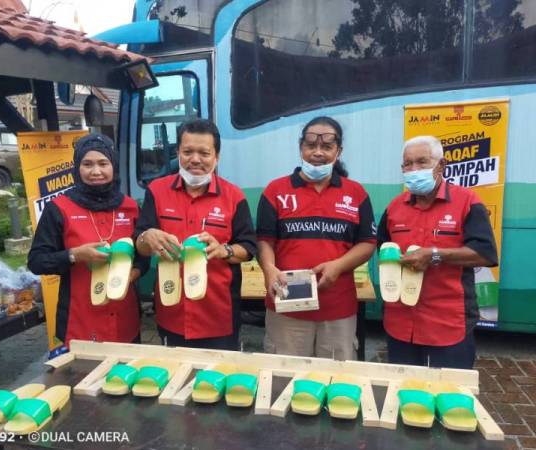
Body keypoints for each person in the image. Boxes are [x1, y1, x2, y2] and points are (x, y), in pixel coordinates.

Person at [256, 116, 377, 360]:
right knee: (286, 380)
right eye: (311, 146)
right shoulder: (275, 191)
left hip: (338, 310)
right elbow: (264, 241)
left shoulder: (356, 193)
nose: (318, 153)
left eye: (327, 147)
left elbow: (367, 243)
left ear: (338, 151)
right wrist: (269, 269)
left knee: (336, 385)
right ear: (301, 148)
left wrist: (338, 266)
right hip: (287, 306)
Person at [377, 135, 498, 369]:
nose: (414, 170)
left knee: (448, 397)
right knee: (407, 395)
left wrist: (435, 255)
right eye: (408, 164)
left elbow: (486, 254)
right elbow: (381, 248)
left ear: (441, 165)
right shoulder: (394, 208)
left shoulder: (467, 202)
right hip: (400, 322)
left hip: (447, 324)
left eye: (422, 162)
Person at [135, 119, 257, 350]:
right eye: (187, 151)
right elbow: (140, 244)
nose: (195, 160)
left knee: (216, 382)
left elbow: (249, 248)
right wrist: (147, 236)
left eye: (204, 153)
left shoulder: (234, 196)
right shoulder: (156, 191)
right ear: (178, 153)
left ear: (216, 157)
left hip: (218, 316)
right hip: (172, 312)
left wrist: (224, 250)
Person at [28, 133, 144, 348]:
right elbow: (36, 261)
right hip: (79, 323)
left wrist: (133, 274)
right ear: (77, 168)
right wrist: (74, 255)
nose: (96, 171)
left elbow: (143, 258)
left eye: (103, 163)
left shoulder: (130, 207)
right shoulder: (59, 208)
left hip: (125, 320)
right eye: (87, 164)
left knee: (123, 380)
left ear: (114, 166)